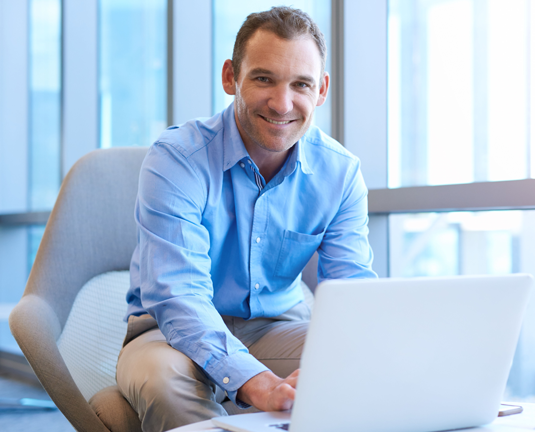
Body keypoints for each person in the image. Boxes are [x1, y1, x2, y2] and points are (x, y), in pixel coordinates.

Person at [115, 6, 376, 431]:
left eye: (301, 84)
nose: (282, 103)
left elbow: (353, 293)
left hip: (276, 329)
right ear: (230, 77)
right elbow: (179, 295)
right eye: (263, 79)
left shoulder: (340, 173)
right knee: (165, 384)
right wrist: (254, 380)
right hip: (166, 333)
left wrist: (390, 361)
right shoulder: (177, 159)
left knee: (367, 361)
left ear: (322, 90)